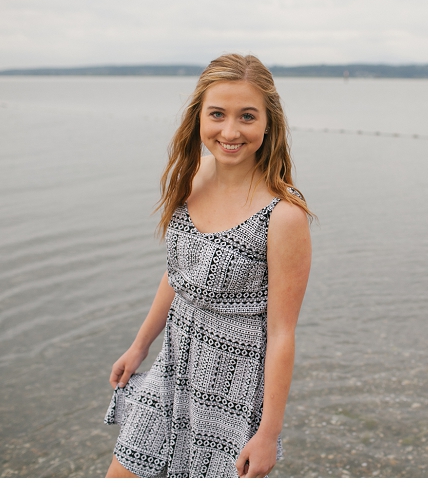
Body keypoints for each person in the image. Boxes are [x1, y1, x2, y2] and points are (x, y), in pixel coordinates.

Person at [103, 53, 313, 478]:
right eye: (217, 114)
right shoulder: (192, 176)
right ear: (199, 116)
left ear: (269, 123)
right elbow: (179, 275)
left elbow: (282, 332)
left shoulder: (283, 214)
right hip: (174, 362)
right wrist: (140, 345)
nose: (231, 131)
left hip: (231, 385)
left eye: (247, 116)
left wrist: (269, 433)